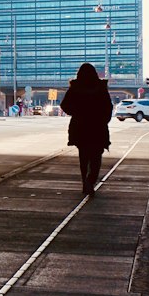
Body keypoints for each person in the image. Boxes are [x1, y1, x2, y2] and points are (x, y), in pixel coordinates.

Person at [60, 62, 113, 198]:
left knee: (83, 156)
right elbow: (108, 106)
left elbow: (64, 105)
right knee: (96, 156)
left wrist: (76, 113)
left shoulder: (75, 88)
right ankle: (91, 180)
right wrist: (104, 119)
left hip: (80, 126)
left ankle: (85, 182)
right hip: (97, 127)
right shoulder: (100, 87)